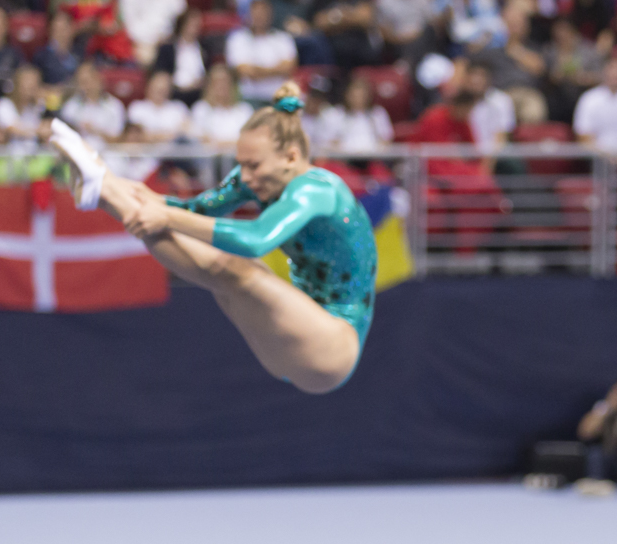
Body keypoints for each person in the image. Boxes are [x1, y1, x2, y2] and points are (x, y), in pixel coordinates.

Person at [49, 82, 380, 394]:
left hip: (332, 348)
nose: (246, 178)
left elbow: (257, 238)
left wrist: (165, 213)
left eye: (254, 166)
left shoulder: (316, 190)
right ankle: (105, 191)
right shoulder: (257, 177)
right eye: (241, 165)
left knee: (242, 268)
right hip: (291, 336)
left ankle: (105, 190)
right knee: (220, 272)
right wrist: (137, 191)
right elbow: (196, 211)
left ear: (291, 158)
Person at [227, 0, 298, 101]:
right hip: (249, 98)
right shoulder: (238, 38)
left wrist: (258, 72)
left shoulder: (283, 38)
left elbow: (289, 67)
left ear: (271, 14)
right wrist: (276, 70)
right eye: (256, 11)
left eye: (264, 11)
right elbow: (243, 70)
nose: (260, 15)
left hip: (278, 98)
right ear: (249, 14)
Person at [573, 55, 617, 153]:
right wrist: (603, 156)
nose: (615, 73)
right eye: (611, 68)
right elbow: (583, 136)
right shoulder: (588, 99)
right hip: (595, 159)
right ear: (603, 71)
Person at [318, 73, 394, 153]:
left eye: (361, 96)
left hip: (373, 158)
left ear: (368, 96)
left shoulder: (378, 114)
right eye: (354, 95)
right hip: (343, 159)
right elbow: (326, 142)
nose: (358, 99)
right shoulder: (335, 114)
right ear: (347, 95)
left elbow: (387, 140)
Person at [61, 63, 128, 147]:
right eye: (80, 83)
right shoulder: (71, 106)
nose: (84, 87)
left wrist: (95, 131)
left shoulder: (114, 106)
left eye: (86, 82)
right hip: (78, 153)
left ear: (98, 79)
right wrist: (77, 129)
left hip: (107, 155)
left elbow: (119, 140)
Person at [153, 9, 211, 105]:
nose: (195, 29)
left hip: (199, 93)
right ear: (182, 25)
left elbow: (209, 72)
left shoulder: (205, 48)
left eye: (197, 25)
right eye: (191, 25)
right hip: (174, 93)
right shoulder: (168, 48)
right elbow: (161, 73)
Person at [188, 64, 254, 146]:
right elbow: (197, 136)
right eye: (217, 83)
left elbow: (249, 138)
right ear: (209, 86)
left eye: (225, 82)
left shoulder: (244, 110)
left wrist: (219, 144)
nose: (221, 87)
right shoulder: (201, 109)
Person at [0, 64, 49, 147]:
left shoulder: (37, 106)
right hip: (8, 155)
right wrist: (38, 131)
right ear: (17, 84)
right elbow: (13, 130)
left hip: (34, 155)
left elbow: (47, 126)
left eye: (34, 82)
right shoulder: (4, 105)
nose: (31, 86)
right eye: (27, 82)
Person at [127, 70, 190, 142]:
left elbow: (187, 132)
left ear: (169, 90)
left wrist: (155, 136)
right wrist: (170, 135)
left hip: (173, 151)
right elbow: (137, 136)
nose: (160, 92)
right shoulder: (137, 107)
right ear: (149, 86)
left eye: (163, 89)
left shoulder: (179, 108)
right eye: (157, 88)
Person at [35, 11, 82, 91]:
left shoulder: (81, 53)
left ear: (72, 29)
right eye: (56, 30)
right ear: (49, 31)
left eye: (64, 29)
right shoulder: (41, 56)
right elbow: (35, 85)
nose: (61, 34)